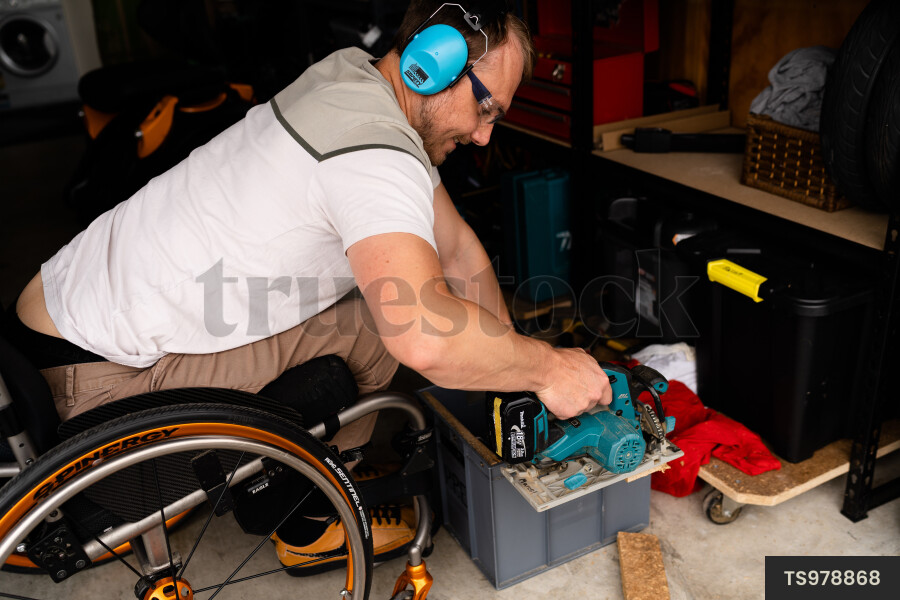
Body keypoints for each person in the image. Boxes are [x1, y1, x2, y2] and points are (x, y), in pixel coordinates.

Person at [10, 0, 612, 571]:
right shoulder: (375, 156)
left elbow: (455, 247)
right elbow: (427, 339)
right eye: (487, 108)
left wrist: (509, 383)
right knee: (385, 321)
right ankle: (306, 520)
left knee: (388, 293)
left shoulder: (353, 81)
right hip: (97, 390)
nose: (485, 136)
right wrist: (546, 369)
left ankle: (307, 472)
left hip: (54, 327)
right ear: (434, 64)